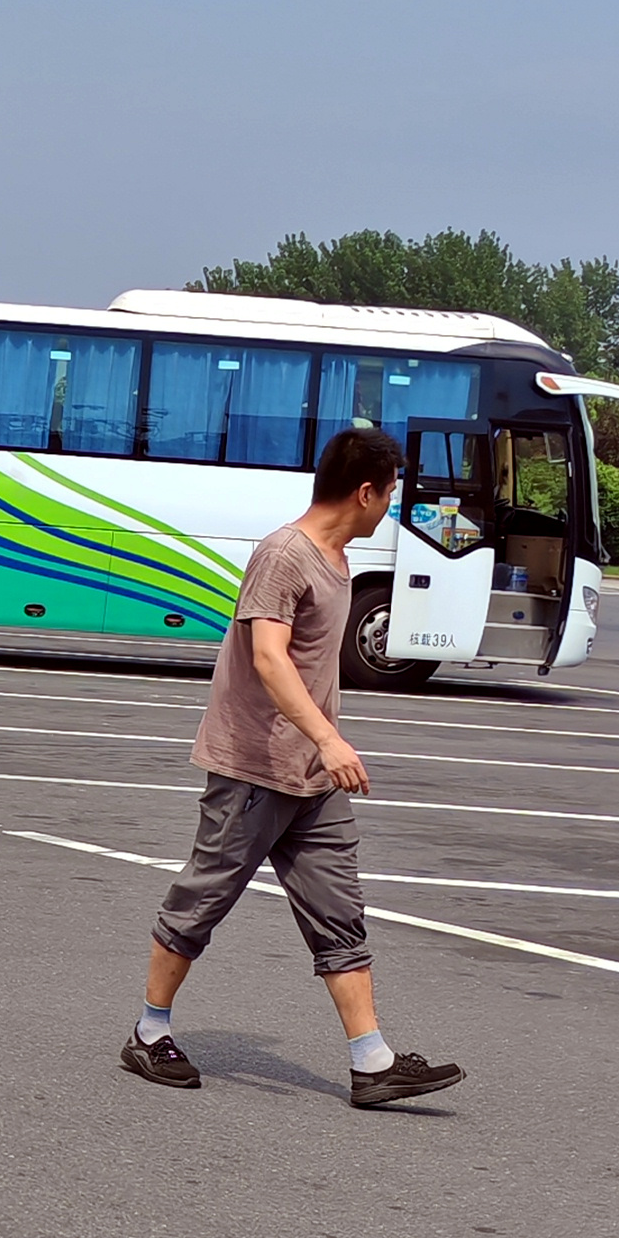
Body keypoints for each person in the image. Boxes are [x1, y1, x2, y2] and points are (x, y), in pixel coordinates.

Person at [125, 423, 465, 1108]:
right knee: (203, 901)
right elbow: (269, 658)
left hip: (312, 779)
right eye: (390, 494)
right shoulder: (286, 554)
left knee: (341, 914)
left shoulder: (338, 559)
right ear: (365, 491)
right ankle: (147, 1032)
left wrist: (323, 749)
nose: (391, 507)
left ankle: (373, 1062)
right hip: (255, 766)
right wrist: (330, 739)